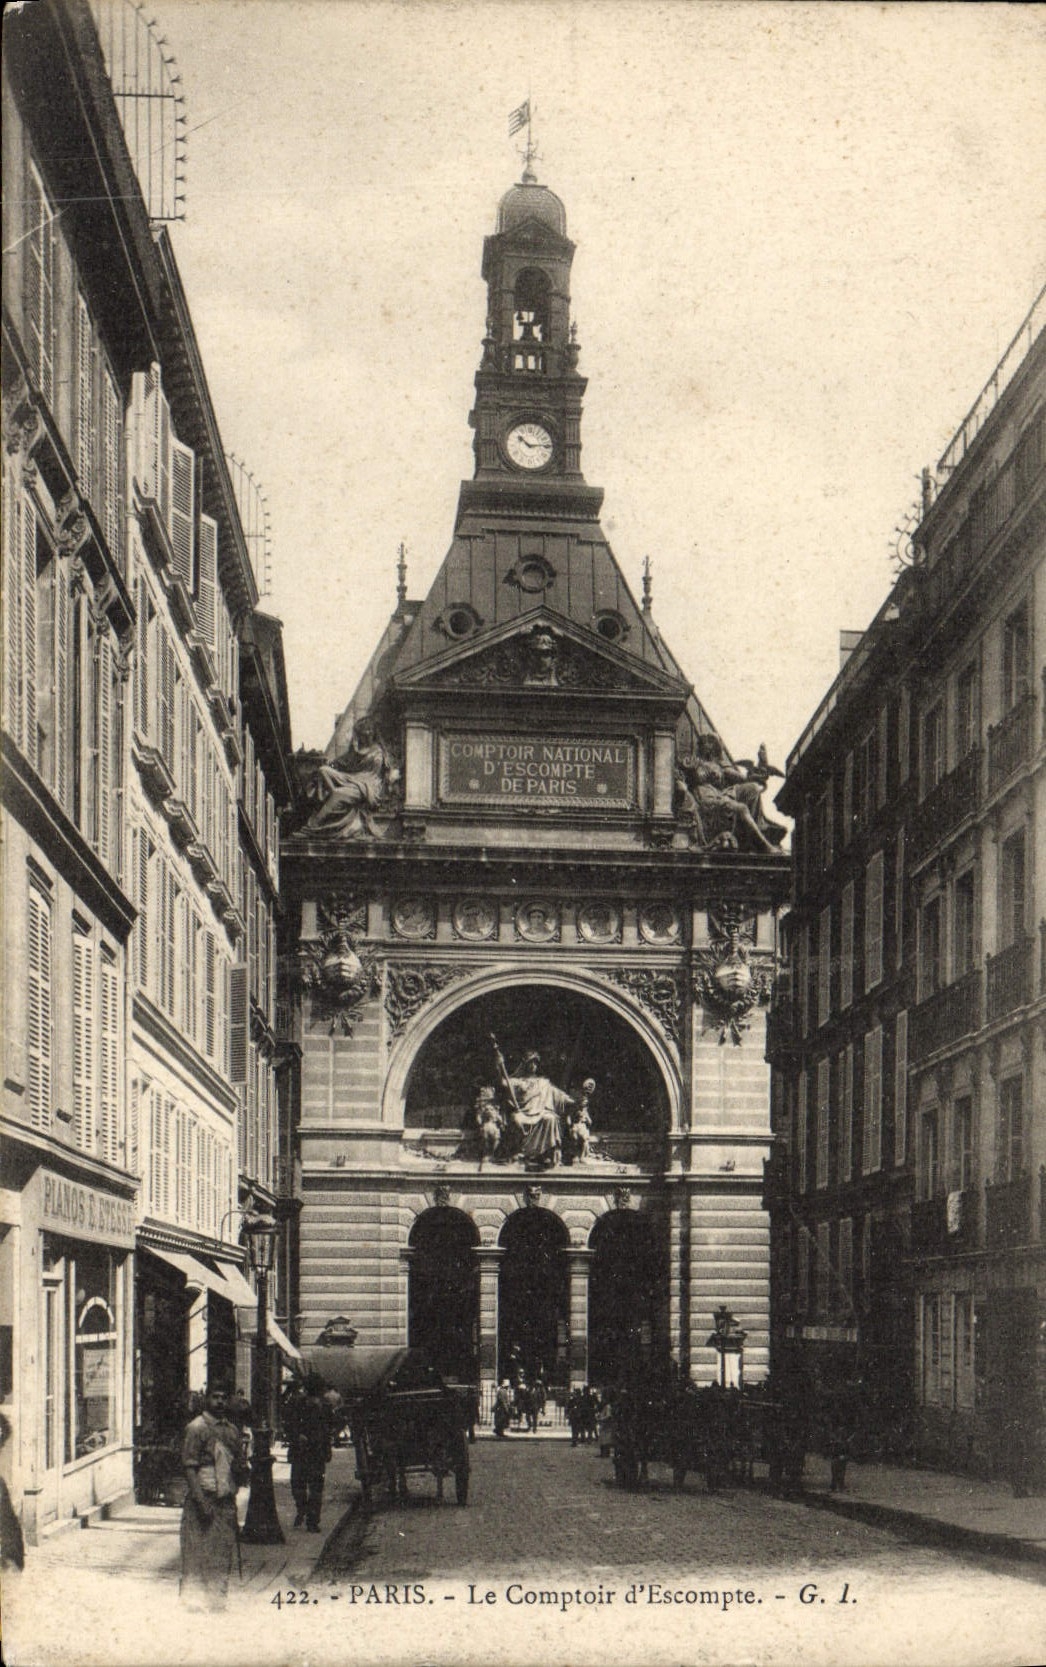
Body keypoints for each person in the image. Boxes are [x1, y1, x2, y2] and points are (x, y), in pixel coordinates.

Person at [180, 1384, 248, 1611]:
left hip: (225, 1501)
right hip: (202, 1499)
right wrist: (201, 1501)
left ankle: (218, 1601)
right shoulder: (196, 1428)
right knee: (196, 1553)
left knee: (222, 1553)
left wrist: (240, 1474)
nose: (219, 1401)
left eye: (223, 1397)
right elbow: (189, 1468)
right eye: (215, 1397)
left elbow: (238, 1465)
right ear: (206, 1399)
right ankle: (193, 1604)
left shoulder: (232, 1431)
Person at [306, 720, 397, 838]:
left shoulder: (379, 751)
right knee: (323, 770)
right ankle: (333, 791)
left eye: (368, 734)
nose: (365, 738)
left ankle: (313, 825)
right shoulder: (356, 750)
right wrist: (336, 762)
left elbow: (386, 773)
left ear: (373, 734)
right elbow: (343, 762)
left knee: (339, 793)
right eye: (362, 735)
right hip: (353, 778)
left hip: (367, 785)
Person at [504, 1051, 574, 1168]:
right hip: (523, 1113)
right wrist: (499, 1064)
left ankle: (546, 1154)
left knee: (550, 1118)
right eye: (530, 1063)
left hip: (541, 1112)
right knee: (516, 1120)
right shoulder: (516, 1081)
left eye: (535, 1063)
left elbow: (558, 1095)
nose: (533, 1066)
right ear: (524, 1065)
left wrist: (571, 1100)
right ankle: (521, 1153)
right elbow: (504, 1085)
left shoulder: (543, 1082)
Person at [284, 1372, 333, 1532]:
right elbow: (289, 1423)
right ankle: (308, 1515)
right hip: (308, 1450)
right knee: (310, 1486)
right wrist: (298, 1434)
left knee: (303, 1485)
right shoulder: (300, 1403)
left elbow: (329, 1428)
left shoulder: (322, 1406)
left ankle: (308, 1515)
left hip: (309, 1451)